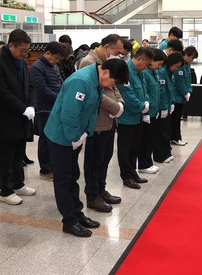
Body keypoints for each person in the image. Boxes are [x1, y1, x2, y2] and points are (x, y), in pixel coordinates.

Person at [44, 58, 129, 237]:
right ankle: (69, 221)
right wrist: (75, 136)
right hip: (61, 137)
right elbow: (69, 114)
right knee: (64, 179)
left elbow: (92, 111)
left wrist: (86, 133)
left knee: (73, 175)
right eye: (113, 81)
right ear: (105, 72)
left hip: (75, 136)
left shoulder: (96, 79)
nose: (112, 85)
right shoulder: (81, 81)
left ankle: (77, 213)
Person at [79, 34, 128, 213]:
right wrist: (116, 107)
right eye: (115, 52)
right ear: (106, 46)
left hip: (109, 120)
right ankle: (92, 195)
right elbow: (94, 95)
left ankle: (101, 189)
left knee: (105, 158)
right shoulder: (88, 63)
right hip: (97, 122)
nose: (116, 55)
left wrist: (120, 104)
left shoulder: (105, 62)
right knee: (94, 160)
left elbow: (114, 87)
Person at [0, 29, 37, 205]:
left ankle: (18, 184)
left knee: (19, 154)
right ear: (11, 46)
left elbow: (30, 85)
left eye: (27, 51)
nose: (24, 54)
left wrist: (31, 105)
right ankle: (5, 190)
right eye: (22, 50)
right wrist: (22, 108)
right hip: (6, 118)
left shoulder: (21, 61)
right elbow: (2, 92)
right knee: (5, 156)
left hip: (22, 118)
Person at [116, 48, 155, 189]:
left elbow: (144, 91)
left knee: (135, 148)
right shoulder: (125, 71)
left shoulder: (140, 73)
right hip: (127, 118)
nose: (147, 67)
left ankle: (133, 172)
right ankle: (126, 176)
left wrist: (146, 103)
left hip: (138, 117)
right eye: (147, 64)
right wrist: (141, 107)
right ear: (140, 59)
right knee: (125, 149)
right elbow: (127, 94)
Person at [30, 42, 67, 181]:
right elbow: (42, 90)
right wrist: (60, 100)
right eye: (55, 58)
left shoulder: (54, 65)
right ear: (48, 53)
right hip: (45, 109)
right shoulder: (37, 67)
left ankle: (53, 166)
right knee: (45, 140)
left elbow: (60, 83)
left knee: (54, 139)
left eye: (59, 60)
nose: (56, 61)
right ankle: (45, 169)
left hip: (56, 108)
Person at [138, 49, 166, 174]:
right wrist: (146, 112)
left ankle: (148, 162)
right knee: (145, 140)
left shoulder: (155, 73)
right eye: (158, 64)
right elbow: (145, 93)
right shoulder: (145, 73)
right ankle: (144, 164)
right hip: (147, 112)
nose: (159, 67)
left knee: (150, 139)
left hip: (154, 111)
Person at [153, 51, 183, 163]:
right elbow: (161, 92)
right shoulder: (161, 72)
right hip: (162, 107)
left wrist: (172, 102)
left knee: (167, 131)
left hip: (168, 105)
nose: (175, 69)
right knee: (161, 133)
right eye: (175, 66)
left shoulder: (169, 73)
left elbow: (171, 90)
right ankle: (160, 155)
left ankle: (166, 152)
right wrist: (164, 107)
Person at [171, 45, 198, 146]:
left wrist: (189, 91)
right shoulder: (180, 64)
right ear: (186, 54)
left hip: (183, 95)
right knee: (175, 118)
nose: (192, 60)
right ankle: (175, 137)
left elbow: (188, 80)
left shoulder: (187, 65)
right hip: (177, 96)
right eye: (191, 57)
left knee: (178, 117)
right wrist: (184, 92)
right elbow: (179, 81)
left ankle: (176, 137)